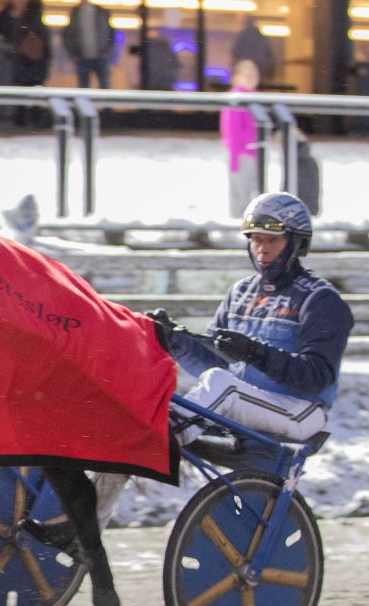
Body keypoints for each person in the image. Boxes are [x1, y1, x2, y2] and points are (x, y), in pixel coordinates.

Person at [149, 192, 353, 446]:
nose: (262, 249)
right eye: (256, 239)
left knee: (221, 385)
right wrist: (173, 339)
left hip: (301, 410)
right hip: (244, 400)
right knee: (178, 393)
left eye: (273, 240)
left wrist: (253, 352)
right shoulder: (240, 292)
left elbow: (317, 377)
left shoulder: (321, 300)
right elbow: (215, 366)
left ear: (297, 243)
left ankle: (157, 444)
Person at [0, 0, 51, 128]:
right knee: (24, 90)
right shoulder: (9, 15)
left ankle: (32, 120)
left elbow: (37, 39)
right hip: (24, 61)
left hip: (31, 61)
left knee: (32, 90)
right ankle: (25, 120)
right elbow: (1, 27)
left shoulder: (33, 17)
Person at [221, 58, 261, 218]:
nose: (251, 79)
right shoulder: (236, 99)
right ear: (236, 78)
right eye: (247, 75)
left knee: (253, 189)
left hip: (255, 151)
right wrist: (234, 157)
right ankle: (238, 219)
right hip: (240, 152)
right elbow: (232, 131)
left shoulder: (256, 98)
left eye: (254, 76)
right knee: (240, 190)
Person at [63, 0, 114, 89]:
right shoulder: (76, 13)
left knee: (104, 85)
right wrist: (73, 53)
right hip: (83, 57)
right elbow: (67, 34)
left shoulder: (101, 12)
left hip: (100, 56)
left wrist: (107, 51)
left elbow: (111, 33)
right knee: (85, 87)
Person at [231, 16, 274, 80]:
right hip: (260, 68)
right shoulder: (261, 37)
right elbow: (269, 55)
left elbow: (235, 53)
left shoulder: (243, 35)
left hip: (245, 66)